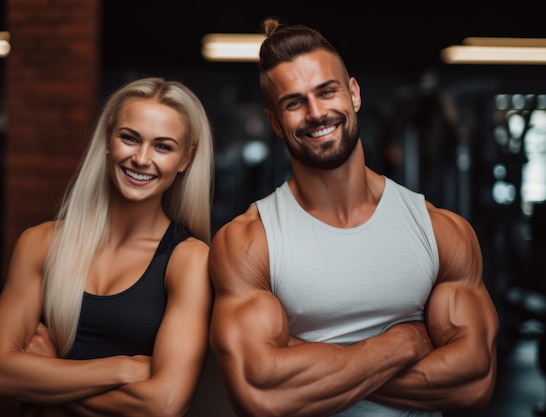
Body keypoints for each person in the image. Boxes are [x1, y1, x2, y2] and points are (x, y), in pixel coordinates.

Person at [208, 17, 499, 417]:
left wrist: (314, 369)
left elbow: (473, 384)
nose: (316, 113)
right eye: (294, 102)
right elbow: (261, 398)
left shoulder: (439, 230)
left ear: (354, 94)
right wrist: (403, 345)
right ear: (275, 122)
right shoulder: (248, 243)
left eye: (326, 92)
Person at [0, 76, 215, 416]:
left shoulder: (190, 261)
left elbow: (163, 405)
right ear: (108, 137)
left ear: (185, 159)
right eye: (129, 138)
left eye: (162, 146)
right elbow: (0, 374)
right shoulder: (40, 244)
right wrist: (121, 368)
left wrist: (48, 370)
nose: (141, 158)